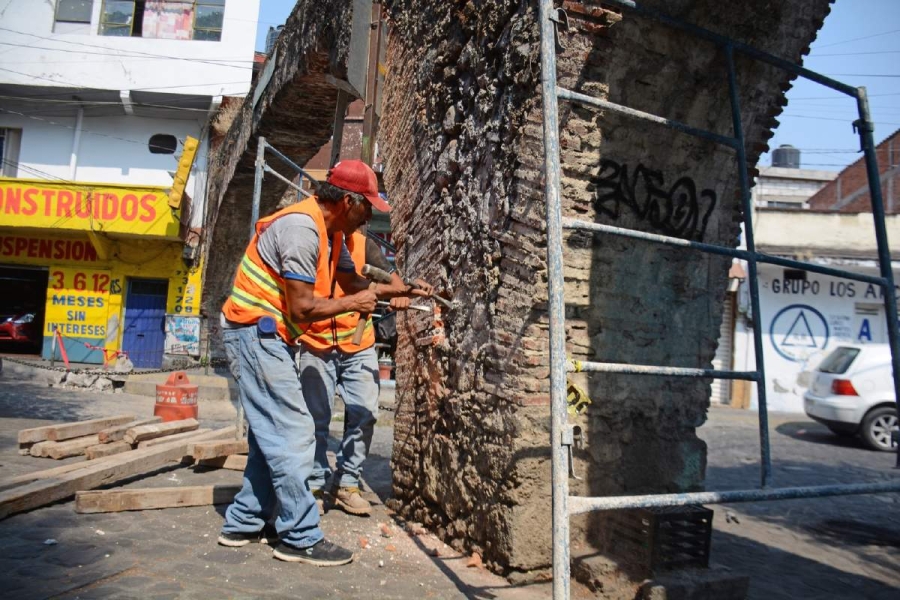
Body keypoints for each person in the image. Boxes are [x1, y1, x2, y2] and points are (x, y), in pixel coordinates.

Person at [216, 160, 425, 566]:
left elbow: (353, 283)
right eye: (368, 207)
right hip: (254, 333)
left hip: (267, 335)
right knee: (295, 430)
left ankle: (244, 521)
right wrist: (355, 303)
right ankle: (299, 535)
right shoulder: (301, 230)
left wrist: (401, 290)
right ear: (348, 202)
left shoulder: (334, 235)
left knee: (268, 434)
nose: (370, 216)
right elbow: (302, 307)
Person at [299, 226, 431, 517]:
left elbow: (391, 283)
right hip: (316, 341)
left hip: (358, 344)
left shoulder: (363, 245)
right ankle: (315, 485)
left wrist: (406, 292)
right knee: (314, 419)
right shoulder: (311, 240)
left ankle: (347, 484)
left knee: (365, 413)